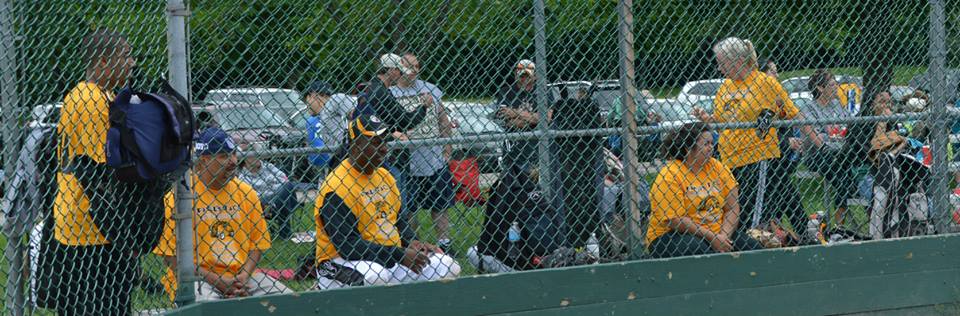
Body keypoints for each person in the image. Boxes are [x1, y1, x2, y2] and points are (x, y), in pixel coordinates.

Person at [52, 29, 142, 315]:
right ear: (103, 61)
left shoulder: (85, 94)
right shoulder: (94, 101)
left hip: (81, 223)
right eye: (125, 56)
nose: (132, 63)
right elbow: (102, 174)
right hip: (94, 229)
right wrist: (126, 233)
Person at [313, 114, 459, 289]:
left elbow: (398, 220)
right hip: (339, 262)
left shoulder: (385, 176)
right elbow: (348, 246)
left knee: (446, 265)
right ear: (355, 146)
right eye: (375, 143)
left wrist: (412, 242)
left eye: (384, 142)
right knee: (375, 277)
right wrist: (399, 255)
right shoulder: (336, 187)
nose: (383, 149)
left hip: (386, 257)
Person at [153, 128, 291, 302]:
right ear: (204, 161)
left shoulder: (247, 193)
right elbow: (171, 257)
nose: (233, 161)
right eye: (224, 156)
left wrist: (243, 277)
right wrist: (217, 281)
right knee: (210, 306)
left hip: (240, 276)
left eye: (233, 154)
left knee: (289, 301)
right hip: (196, 278)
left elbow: (258, 244)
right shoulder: (179, 197)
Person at [692, 37, 807, 234]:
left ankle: (757, 250)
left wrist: (816, 143)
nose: (719, 68)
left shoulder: (764, 83)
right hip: (730, 160)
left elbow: (793, 114)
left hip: (757, 157)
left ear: (736, 61)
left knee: (752, 217)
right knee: (735, 213)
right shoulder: (724, 88)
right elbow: (722, 122)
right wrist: (708, 119)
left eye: (722, 63)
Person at [646, 122, 764, 258]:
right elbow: (676, 221)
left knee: (753, 249)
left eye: (711, 143)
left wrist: (723, 237)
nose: (711, 148)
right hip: (671, 236)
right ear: (688, 148)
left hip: (716, 232)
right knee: (699, 249)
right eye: (705, 144)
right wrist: (712, 238)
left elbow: (732, 208)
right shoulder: (670, 175)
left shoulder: (718, 168)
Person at [389, 53, 457, 253]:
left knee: (440, 204)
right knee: (409, 207)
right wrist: (398, 135)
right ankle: (416, 245)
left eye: (417, 65)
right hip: (405, 160)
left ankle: (444, 243)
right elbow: (385, 124)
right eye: (410, 66)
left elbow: (442, 119)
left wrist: (447, 149)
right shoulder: (390, 93)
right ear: (399, 68)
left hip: (434, 158)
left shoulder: (431, 89)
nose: (415, 70)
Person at [794, 69, 856, 225]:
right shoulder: (809, 109)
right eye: (832, 84)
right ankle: (839, 226)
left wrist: (834, 135)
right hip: (818, 155)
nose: (836, 87)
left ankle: (838, 227)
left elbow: (849, 127)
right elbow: (816, 138)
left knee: (845, 173)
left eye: (836, 84)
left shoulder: (837, 105)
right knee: (844, 177)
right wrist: (835, 136)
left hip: (841, 153)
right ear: (820, 88)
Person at [237, 140, 316, 240]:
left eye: (257, 155)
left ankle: (275, 206)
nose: (257, 158)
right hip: (261, 204)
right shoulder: (243, 177)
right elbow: (252, 196)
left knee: (287, 187)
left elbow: (284, 179)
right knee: (284, 195)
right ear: (245, 159)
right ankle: (285, 232)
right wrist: (273, 186)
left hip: (277, 199)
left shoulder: (268, 167)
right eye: (253, 156)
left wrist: (271, 184)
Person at [493, 59, 552, 173]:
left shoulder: (543, 91)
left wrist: (515, 113)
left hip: (538, 148)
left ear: (534, 76)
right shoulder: (506, 91)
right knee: (514, 183)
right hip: (514, 148)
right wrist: (534, 118)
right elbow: (507, 120)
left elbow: (547, 118)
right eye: (521, 76)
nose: (524, 79)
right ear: (516, 75)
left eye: (527, 76)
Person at [303, 80, 356, 168]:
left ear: (313, 95)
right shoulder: (317, 118)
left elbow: (358, 115)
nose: (306, 103)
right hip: (339, 161)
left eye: (307, 98)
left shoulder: (334, 100)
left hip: (349, 156)